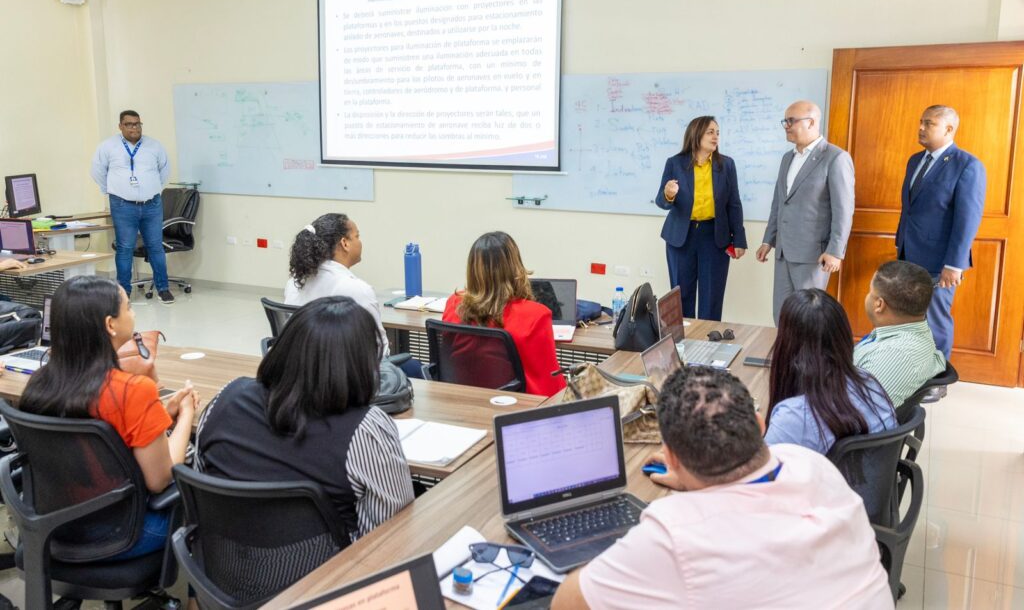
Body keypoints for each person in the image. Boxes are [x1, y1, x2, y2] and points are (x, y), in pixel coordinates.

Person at [551, 366, 893, 610]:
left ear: (670, 457)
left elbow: (566, 603)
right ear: (761, 426)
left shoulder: (673, 533)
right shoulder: (811, 464)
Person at [195, 296, 414, 541]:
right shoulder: (366, 429)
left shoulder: (226, 398)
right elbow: (390, 538)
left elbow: (200, 484)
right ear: (363, 365)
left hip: (219, 572)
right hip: (331, 577)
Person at [20, 275, 199, 559]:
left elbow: (105, 442)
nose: (134, 313)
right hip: (122, 531)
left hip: (53, 526)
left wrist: (161, 415)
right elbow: (160, 478)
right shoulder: (131, 390)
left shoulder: (40, 383)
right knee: (206, 499)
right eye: (128, 307)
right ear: (110, 324)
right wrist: (187, 414)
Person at [896, 105, 986, 358]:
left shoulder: (967, 165)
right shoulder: (915, 160)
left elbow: (967, 219)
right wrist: (900, 244)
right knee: (909, 317)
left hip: (940, 260)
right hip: (908, 254)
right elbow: (910, 209)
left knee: (935, 319)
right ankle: (911, 369)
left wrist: (954, 264)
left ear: (949, 129)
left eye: (929, 124)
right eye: (921, 122)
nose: (921, 128)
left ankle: (937, 377)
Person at [756, 101, 855, 324]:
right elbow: (779, 204)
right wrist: (768, 241)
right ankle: (785, 359)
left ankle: (809, 360)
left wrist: (836, 251)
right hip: (783, 251)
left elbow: (844, 210)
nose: (786, 126)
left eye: (791, 121)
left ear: (811, 122)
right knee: (781, 314)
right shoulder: (787, 158)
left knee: (809, 319)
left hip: (813, 255)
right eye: (785, 121)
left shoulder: (835, 157)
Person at [765, 289, 895, 454]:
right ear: (843, 336)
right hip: (875, 479)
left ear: (786, 343)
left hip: (827, 479)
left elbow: (760, 476)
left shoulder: (794, 417)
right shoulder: (870, 383)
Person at [442, 232, 566, 396]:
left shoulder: (454, 304)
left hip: (463, 401)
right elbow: (549, 383)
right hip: (516, 407)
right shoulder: (536, 316)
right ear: (515, 268)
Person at [654, 116, 747, 320]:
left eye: (717, 132)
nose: (716, 137)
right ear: (696, 134)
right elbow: (661, 201)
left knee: (711, 298)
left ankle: (709, 345)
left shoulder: (727, 165)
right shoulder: (675, 163)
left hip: (714, 237)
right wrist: (669, 193)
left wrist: (739, 239)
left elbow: (734, 204)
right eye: (710, 132)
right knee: (682, 297)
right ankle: (683, 345)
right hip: (681, 237)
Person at [90, 110, 173, 304]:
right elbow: (97, 172)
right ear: (120, 126)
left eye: (137, 124)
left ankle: (163, 288)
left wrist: (150, 189)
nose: (134, 128)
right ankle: (123, 293)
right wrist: (111, 189)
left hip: (151, 204)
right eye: (129, 124)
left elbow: (164, 171)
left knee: (155, 247)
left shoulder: (154, 146)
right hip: (122, 205)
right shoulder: (108, 146)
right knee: (125, 248)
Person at [284, 213, 390, 358]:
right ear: (345, 243)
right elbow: (379, 352)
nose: (360, 242)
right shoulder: (356, 289)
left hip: (302, 371)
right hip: (343, 376)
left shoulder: (294, 283)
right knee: (413, 367)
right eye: (357, 237)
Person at [856, 260, 947, 409]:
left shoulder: (891, 356)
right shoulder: (911, 330)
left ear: (879, 304)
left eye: (869, 292)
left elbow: (850, 413)